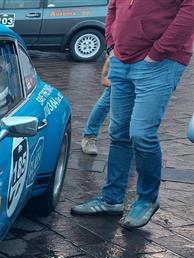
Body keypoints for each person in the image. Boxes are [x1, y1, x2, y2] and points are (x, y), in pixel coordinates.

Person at [71, 0, 194, 229]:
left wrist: (158, 52)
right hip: (122, 58)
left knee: (141, 133)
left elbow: (190, 9)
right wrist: (111, 45)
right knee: (119, 133)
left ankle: (147, 199)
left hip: (159, 62)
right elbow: (113, 5)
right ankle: (111, 200)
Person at [80, 56, 112, 156]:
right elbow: (113, 50)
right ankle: (89, 136)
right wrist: (104, 75)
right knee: (107, 99)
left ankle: (134, 139)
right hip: (127, 61)